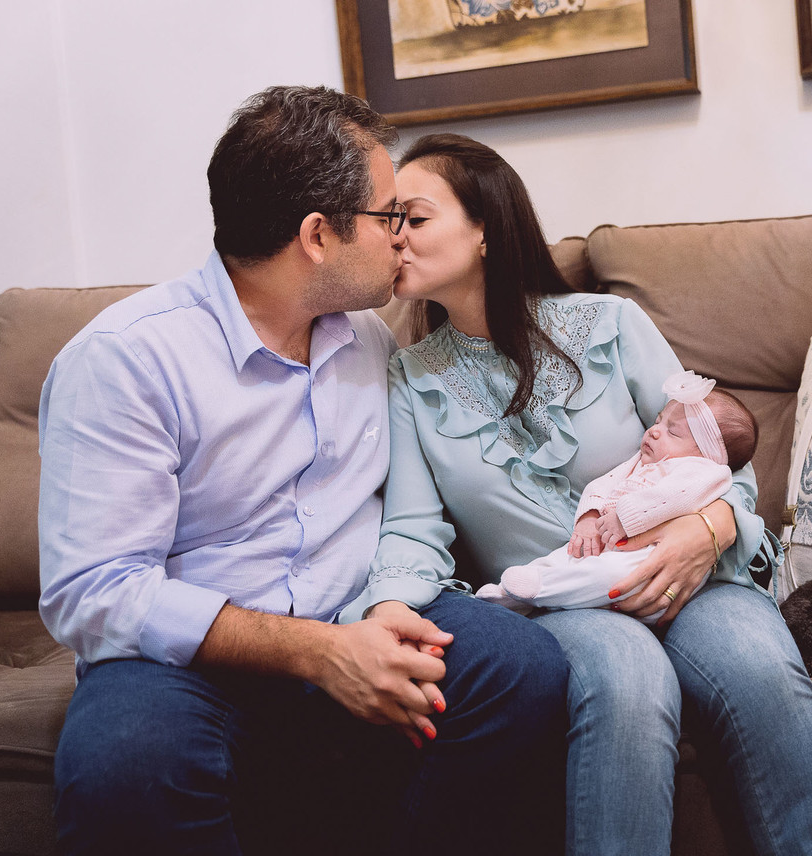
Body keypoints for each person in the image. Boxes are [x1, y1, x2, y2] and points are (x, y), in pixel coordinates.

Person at [37, 87, 568, 856]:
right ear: (318, 235)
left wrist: (379, 614)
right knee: (124, 767)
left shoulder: (372, 345)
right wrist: (318, 651)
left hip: (361, 616)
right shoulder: (126, 360)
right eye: (390, 216)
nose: (402, 239)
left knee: (518, 667)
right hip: (190, 665)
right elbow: (97, 591)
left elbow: (424, 509)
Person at [338, 132, 812, 855]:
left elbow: (721, 456)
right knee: (626, 678)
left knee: (760, 671)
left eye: (416, 218)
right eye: (389, 220)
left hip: (697, 576)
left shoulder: (613, 326)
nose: (394, 238)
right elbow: (409, 527)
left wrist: (705, 531)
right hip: (565, 603)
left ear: (486, 227)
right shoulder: (410, 378)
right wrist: (387, 612)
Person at [476, 371, 756, 625]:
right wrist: (589, 516)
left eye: (673, 431)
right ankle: (512, 594)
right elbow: (605, 483)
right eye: (659, 420)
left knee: (610, 574)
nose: (655, 430)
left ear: (706, 454)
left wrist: (626, 516)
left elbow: (671, 498)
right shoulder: (642, 460)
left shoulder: (704, 472)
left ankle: (543, 591)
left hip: (654, 570)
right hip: (611, 542)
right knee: (569, 555)